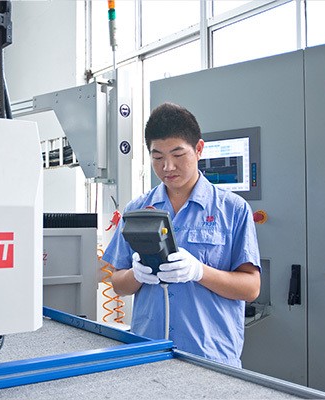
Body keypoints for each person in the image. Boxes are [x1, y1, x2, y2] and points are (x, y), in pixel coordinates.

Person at [102, 102, 260, 367]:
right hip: (147, 353)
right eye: (157, 157)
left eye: (178, 154)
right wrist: (136, 275)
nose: (168, 167)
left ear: (198, 149)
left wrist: (199, 271)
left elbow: (251, 288)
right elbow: (118, 284)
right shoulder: (137, 210)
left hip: (210, 357)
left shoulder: (233, 209)